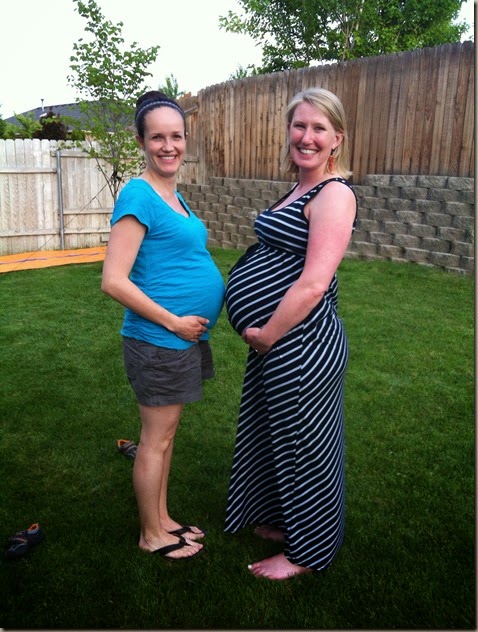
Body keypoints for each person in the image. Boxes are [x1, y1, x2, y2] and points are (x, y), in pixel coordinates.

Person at [224, 87, 358, 580]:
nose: (307, 137)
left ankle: (307, 552)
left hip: (302, 343)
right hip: (283, 343)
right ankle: (287, 521)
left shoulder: (335, 195)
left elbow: (314, 283)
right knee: (280, 435)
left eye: (319, 128)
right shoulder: (299, 189)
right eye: (299, 125)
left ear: (336, 138)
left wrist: (268, 335)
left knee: (306, 446)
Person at [102, 91, 225, 560]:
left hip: (179, 340)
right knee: (155, 439)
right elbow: (113, 280)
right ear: (141, 141)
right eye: (157, 137)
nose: (168, 146)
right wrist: (174, 321)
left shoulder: (172, 194)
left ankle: (164, 518)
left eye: (176, 136)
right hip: (158, 339)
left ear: (185, 139)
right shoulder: (138, 194)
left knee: (166, 435)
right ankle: (151, 534)